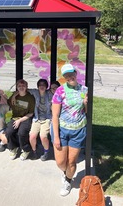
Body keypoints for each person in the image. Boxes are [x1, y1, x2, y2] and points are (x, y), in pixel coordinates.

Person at [51, 64, 88, 196]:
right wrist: (56, 137)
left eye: (71, 74)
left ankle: (68, 180)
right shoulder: (60, 91)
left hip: (78, 130)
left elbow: (86, 111)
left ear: (75, 73)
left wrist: (85, 104)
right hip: (61, 130)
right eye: (66, 75)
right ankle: (65, 172)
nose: (69, 77)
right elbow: (55, 115)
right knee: (61, 162)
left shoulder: (84, 89)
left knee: (72, 161)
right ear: (64, 78)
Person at [6, 79, 35, 160]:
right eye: (19, 86)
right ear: (17, 87)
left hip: (26, 118)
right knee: (9, 132)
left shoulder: (30, 98)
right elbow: (9, 103)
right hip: (15, 117)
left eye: (23, 86)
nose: (21, 87)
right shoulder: (14, 95)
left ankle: (26, 149)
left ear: (26, 87)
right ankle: (13, 148)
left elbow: (31, 113)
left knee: (21, 133)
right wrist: (14, 96)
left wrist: (19, 121)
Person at [28, 79, 53, 161]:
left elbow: (57, 92)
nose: (42, 87)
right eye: (40, 85)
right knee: (32, 136)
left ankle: (46, 152)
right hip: (37, 118)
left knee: (43, 136)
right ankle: (34, 151)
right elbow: (22, 89)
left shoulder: (49, 94)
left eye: (44, 85)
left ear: (46, 87)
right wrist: (14, 95)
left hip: (47, 118)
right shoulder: (35, 92)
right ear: (38, 86)